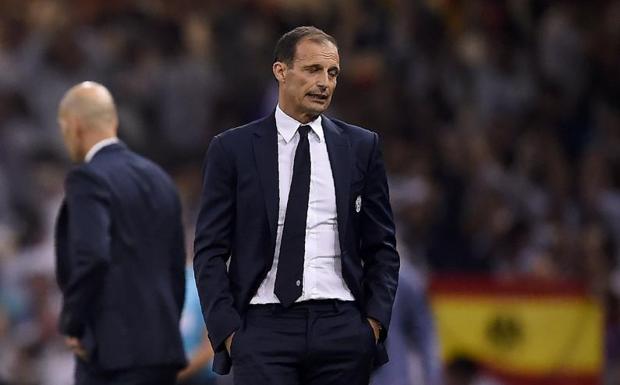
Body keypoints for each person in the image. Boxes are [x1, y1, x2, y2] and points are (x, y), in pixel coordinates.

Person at [193, 26, 400, 385]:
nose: (324, 83)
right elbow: (209, 250)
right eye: (313, 70)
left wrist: (373, 324)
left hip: (343, 327)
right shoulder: (232, 150)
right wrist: (228, 331)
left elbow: (382, 246)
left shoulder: (361, 146)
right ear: (281, 71)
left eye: (332, 73)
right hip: (262, 328)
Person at [54, 82, 186, 385]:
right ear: (112, 121)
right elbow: (175, 267)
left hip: (113, 355)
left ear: (74, 126)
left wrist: (74, 323)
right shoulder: (160, 178)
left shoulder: (87, 177)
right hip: (162, 349)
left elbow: (93, 256)